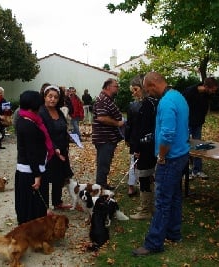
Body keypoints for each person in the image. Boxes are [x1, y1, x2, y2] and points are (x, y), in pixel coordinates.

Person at [132, 72, 189, 256]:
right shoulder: (178, 96)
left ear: (153, 85)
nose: (148, 93)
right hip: (182, 154)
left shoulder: (166, 102)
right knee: (174, 196)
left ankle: (154, 243)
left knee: (163, 200)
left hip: (171, 158)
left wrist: (162, 157)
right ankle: (174, 232)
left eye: (148, 89)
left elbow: (167, 134)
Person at [15, 90, 54, 224]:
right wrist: (37, 176)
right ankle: (33, 233)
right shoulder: (28, 124)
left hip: (30, 168)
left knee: (29, 203)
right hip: (30, 171)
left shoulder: (26, 120)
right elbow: (31, 152)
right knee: (33, 205)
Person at [128, 75, 159, 220]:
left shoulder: (148, 104)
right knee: (147, 175)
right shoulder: (152, 102)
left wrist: (138, 148)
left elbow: (145, 129)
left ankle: (146, 210)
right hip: (150, 145)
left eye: (135, 89)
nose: (133, 93)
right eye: (132, 90)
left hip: (146, 147)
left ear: (143, 88)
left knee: (144, 176)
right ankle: (148, 206)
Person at [39, 85, 74, 210]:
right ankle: (44, 206)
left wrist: (69, 137)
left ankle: (57, 202)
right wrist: (53, 148)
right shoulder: (41, 112)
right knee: (46, 178)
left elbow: (63, 127)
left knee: (59, 177)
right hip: (48, 151)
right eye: (50, 96)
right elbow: (44, 133)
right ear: (44, 97)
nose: (52, 99)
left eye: (55, 97)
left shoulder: (58, 111)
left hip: (62, 149)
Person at [183, 77, 219, 179]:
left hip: (198, 123)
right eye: (213, 89)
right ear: (206, 86)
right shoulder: (190, 92)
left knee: (199, 146)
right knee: (186, 146)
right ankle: (186, 171)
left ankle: (197, 170)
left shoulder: (207, 95)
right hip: (187, 123)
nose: (213, 92)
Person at [92, 78, 124, 190]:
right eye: (116, 86)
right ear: (108, 87)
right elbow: (101, 118)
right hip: (104, 138)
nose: (118, 88)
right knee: (103, 164)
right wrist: (118, 123)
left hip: (108, 138)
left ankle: (102, 185)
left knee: (105, 163)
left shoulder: (107, 99)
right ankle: (100, 188)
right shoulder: (102, 99)